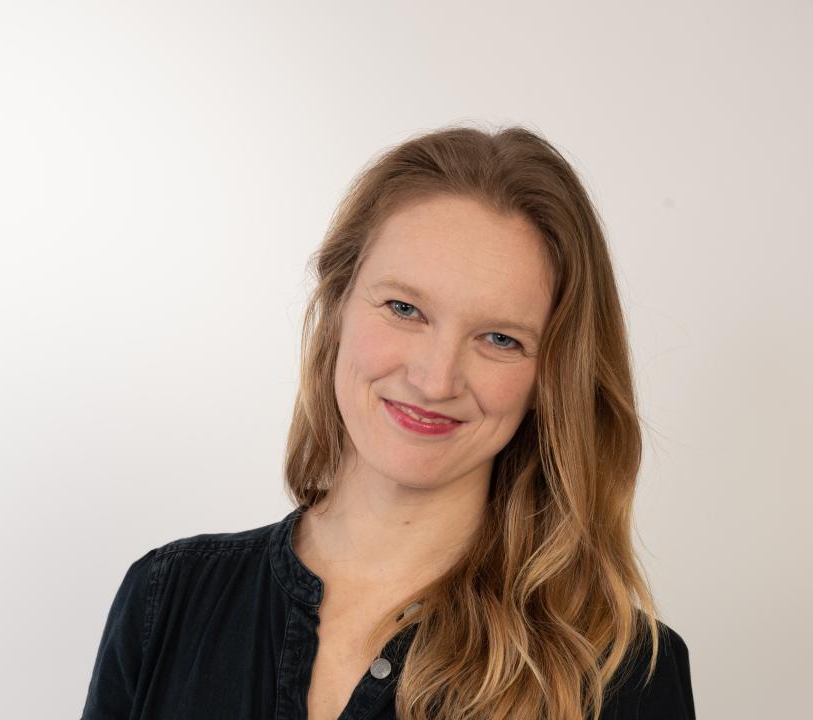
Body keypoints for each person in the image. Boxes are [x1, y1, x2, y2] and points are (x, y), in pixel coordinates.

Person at [80, 124, 696, 720]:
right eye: (405, 308)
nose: (435, 380)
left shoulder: (621, 675)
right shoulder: (167, 601)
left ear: (550, 379)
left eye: (500, 339)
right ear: (338, 304)